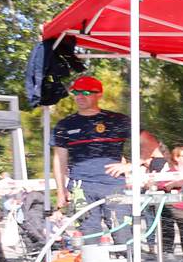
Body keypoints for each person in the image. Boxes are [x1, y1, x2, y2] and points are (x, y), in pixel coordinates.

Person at [51, 75, 132, 234]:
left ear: (99, 94)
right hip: (80, 188)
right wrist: (61, 192)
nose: (80, 97)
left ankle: (129, 258)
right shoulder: (64, 125)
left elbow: (149, 144)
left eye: (86, 92)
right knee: (88, 237)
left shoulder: (117, 120)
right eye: (76, 92)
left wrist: (132, 165)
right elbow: (59, 160)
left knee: (122, 233)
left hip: (113, 186)